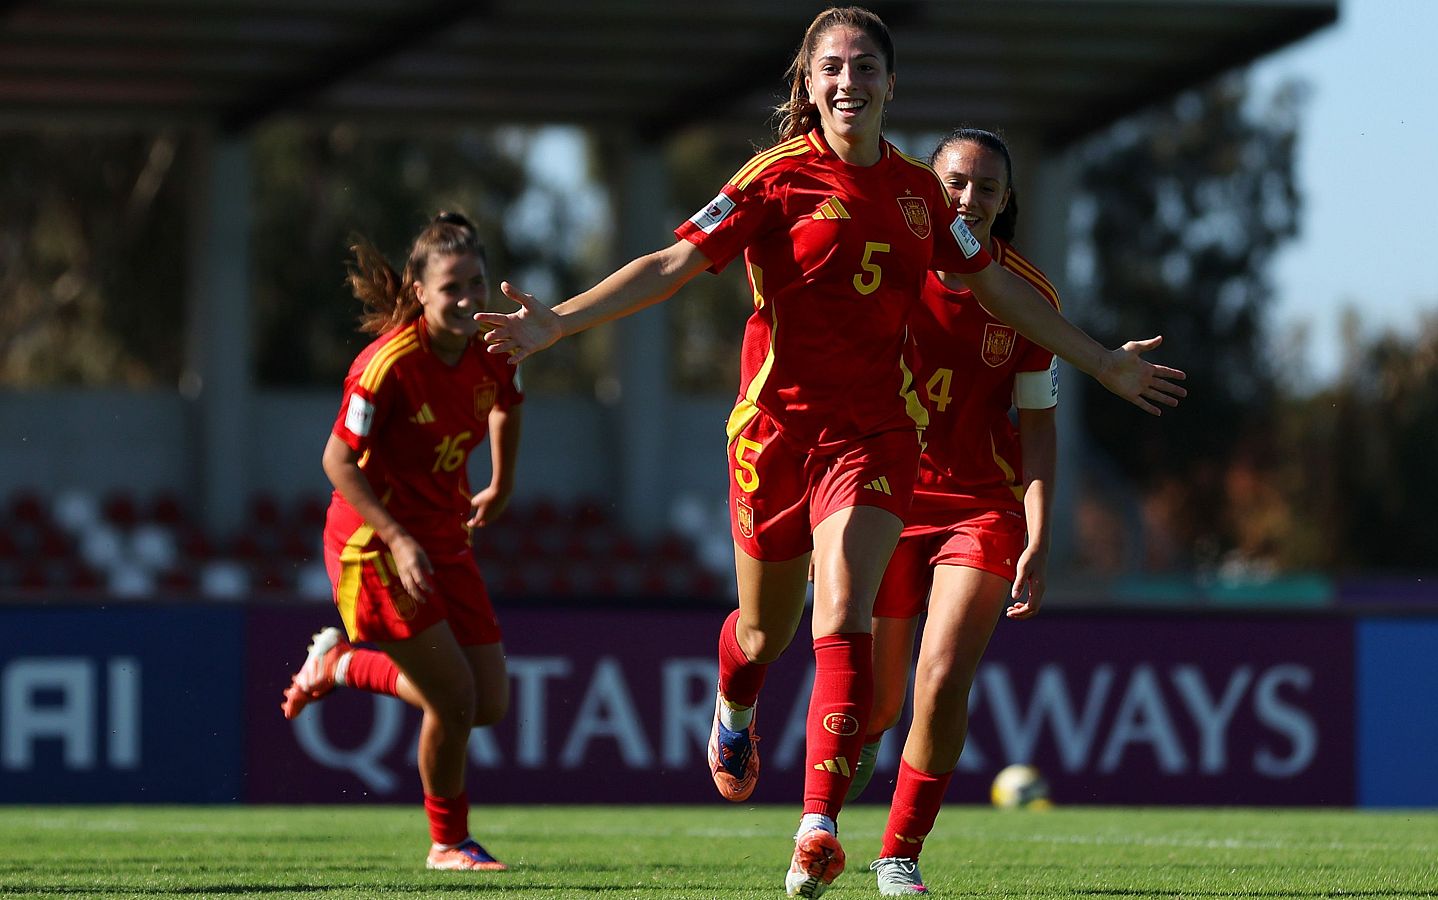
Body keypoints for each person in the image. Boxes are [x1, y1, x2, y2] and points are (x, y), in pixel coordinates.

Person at [474, 8, 1185, 896]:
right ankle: (735, 701)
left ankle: (817, 829)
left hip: (874, 435)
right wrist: (560, 323)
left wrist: (1101, 362)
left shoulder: (922, 194)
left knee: (843, 614)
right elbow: (672, 264)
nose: (850, 81)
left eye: (866, 66)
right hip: (774, 434)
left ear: (892, 83)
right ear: (809, 86)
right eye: (833, 68)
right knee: (765, 633)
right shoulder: (773, 179)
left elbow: (999, 288)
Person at [838, 127, 1060, 896]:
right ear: (927, 189)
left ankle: (900, 853)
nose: (969, 198)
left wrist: (1038, 534)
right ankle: (869, 732)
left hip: (980, 508)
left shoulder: (1028, 298)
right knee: (880, 698)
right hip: (885, 494)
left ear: (1006, 203)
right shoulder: (884, 266)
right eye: (955, 183)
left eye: (986, 188)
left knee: (940, 681)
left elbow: (1039, 428)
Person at [278, 211, 522, 872]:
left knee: (488, 702)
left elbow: (507, 402)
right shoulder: (386, 365)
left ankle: (341, 665)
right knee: (454, 699)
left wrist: (501, 484)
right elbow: (336, 461)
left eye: (476, 283)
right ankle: (448, 843)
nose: (468, 300)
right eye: (452, 288)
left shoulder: (492, 347)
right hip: (372, 545)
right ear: (419, 291)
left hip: (443, 533)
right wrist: (397, 537)